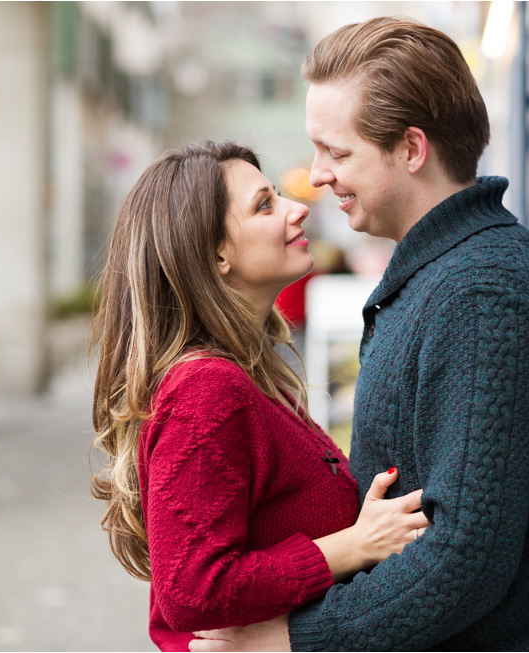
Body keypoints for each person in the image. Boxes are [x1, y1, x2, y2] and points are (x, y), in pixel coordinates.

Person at [190, 17, 529, 652]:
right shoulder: (442, 273)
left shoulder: (478, 294)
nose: (317, 176)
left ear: (412, 149)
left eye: (337, 152)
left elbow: (463, 559)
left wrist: (287, 640)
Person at [90, 140, 429, 652]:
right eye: (265, 205)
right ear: (215, 254)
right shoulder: (205, 391)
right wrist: (352, 546)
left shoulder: (246, 379)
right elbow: (192, 591)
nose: (298, 209)